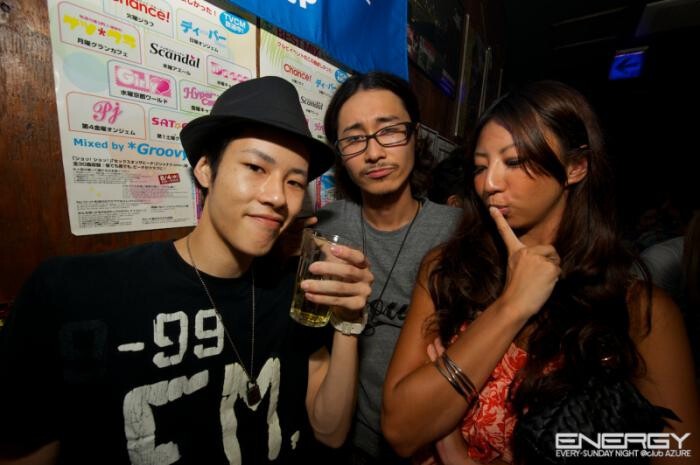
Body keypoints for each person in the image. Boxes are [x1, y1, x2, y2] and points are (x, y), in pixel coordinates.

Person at [0, 76, 373, 465]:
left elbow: (330, 433)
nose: (278, 196)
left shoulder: (293, 292)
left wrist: (347, 323)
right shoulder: (74, 293)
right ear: (205, 169)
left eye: (294, 182)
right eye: (255, 167)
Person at [382, 80, 699, 464]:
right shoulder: (448, 270)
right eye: (480, 167)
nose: (489, 184)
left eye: (514, 161)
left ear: (575, 167)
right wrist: (512, 305)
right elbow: (401, 431)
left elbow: (679, 450)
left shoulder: (637, 309)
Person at [314, 72, 462, 464]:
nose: (374, 152)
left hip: (436, 442)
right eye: (354, 139)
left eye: (390, 131)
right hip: (353, 444)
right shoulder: (324, 228)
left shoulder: (457, 231)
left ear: (415, 136)